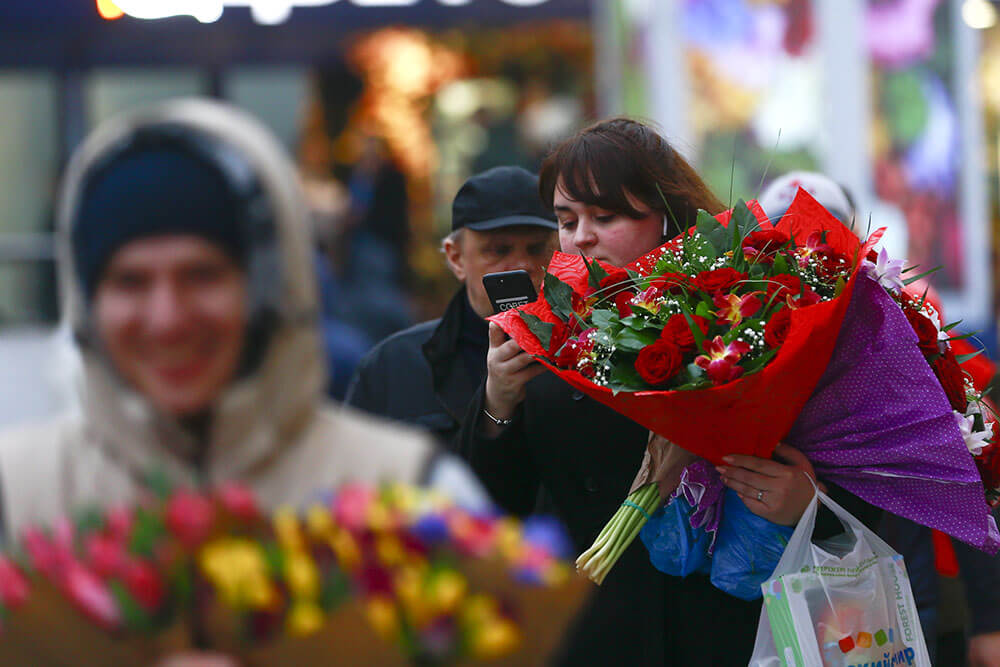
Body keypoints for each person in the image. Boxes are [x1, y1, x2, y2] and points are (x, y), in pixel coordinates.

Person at [459, 117, 877, 665]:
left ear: (664, 217)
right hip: (598, 631)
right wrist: (498, 401)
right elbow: (494, 505)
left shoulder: (744, 305)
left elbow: (859, 479)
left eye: (604, 217)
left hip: (732, 629)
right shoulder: (551, 331)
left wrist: (806, 504)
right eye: (566, 220)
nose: (581, 236)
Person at [0, 98, 489, 544]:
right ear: (87, 302)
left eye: (202, 275)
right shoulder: (19, 498)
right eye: (130, 281)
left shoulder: (409, 494)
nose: (167, 319)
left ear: (270, 286)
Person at [760, 170, 1000, 667]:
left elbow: (975, 464)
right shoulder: (739, 338)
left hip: (905, 590)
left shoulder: (904, 323)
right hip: (781, 598)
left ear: (851, 237)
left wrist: (990, 622)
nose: (801, 249)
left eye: (819, 233)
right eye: (783, 232)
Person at [345, 166, 559, 453]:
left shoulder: (585, 356)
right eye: (498, 250)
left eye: (536, 249)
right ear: (456, 258)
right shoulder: (393, 365)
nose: (521, 265)